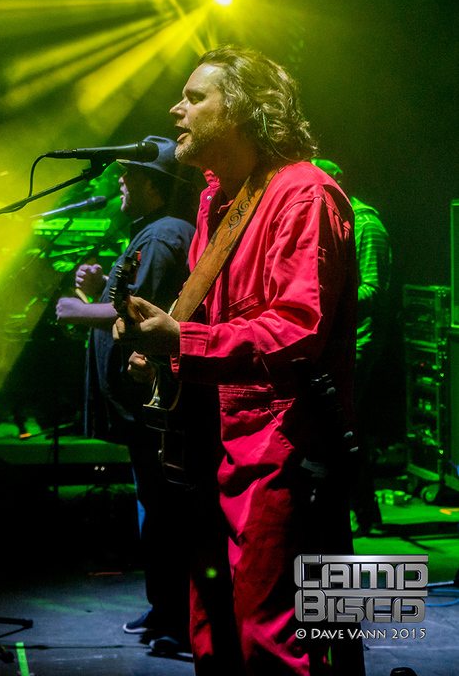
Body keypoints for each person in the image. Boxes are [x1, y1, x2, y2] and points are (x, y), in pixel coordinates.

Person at [113, 46, 365, 675]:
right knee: (215, 635)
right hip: (215, 447)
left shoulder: (304, 194)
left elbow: (297, 329)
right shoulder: (216, 202)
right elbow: (210, 323)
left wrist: (182, 343)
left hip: (284, 449)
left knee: (276, 641)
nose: (176, 110)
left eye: (195, 97)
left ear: (244, 111)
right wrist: (162, 352)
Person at [55, 136, 197, 658]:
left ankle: (178, 617)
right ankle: (164, 606)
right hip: (142, 408)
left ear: (154, 185)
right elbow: (126, 305)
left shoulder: (162, 235)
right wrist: (98, 292)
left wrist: (78, 310)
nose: (120, 180)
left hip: (154, 407)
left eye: (130, 174)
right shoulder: (151, 232)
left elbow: (146, 314)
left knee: (165, 512)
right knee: (154, 508)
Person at [312, 158, 393, 535]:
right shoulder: (336, 220)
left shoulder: (367, 225)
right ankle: (363, 512)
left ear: (338, 181)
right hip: (343, 340)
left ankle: (355, 513)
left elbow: (374, 290)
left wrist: (325, 301)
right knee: (346, 428)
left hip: (360, 340)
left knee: (342, 427)